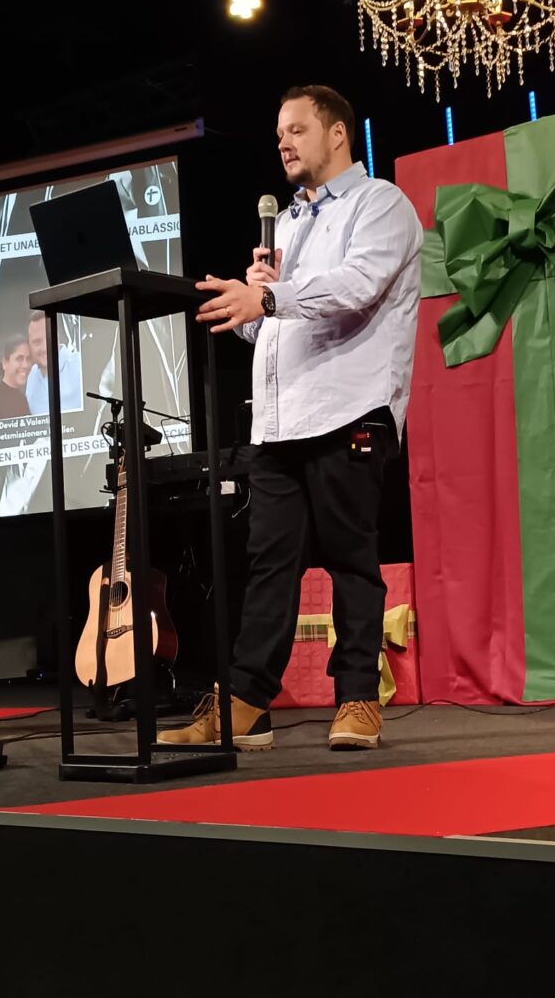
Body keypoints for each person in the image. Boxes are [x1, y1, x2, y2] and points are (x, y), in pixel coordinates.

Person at [159, 85, 423, 751]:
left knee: (351, 559)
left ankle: (358, 697)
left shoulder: (380, 204)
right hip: (280, 422)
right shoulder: (290, 223)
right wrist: (250, 306)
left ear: (337, 133)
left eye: (297, 129)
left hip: (350, 408)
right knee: (268, 564)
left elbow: (356, 287)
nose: (283, 142)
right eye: (279, 132)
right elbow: (276, 327)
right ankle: (248, 701)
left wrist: (271, 300)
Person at [25, 310, 83, 415]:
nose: (44, 348)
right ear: (29, 346)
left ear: (57, 337)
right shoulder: (31, 376)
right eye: (37, 342)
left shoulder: (78, 365)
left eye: (48, 338)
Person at [0, 334, 31, 420]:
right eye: (19, 359)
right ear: (5, 363)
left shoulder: (19, 398)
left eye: (28, 358)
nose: (25, 365)